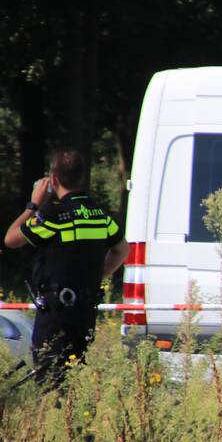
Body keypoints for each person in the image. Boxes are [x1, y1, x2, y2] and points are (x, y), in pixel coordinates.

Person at [4, 148, 129, 386]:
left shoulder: (52, 215)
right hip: (85, 311)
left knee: (49, 377)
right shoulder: (99, 214)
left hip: (55, 313)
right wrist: (97, 276)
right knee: (75, 377)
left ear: (53, 179)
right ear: (82, 177)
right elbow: (122, 250)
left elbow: (11, 240)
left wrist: (33, 204)